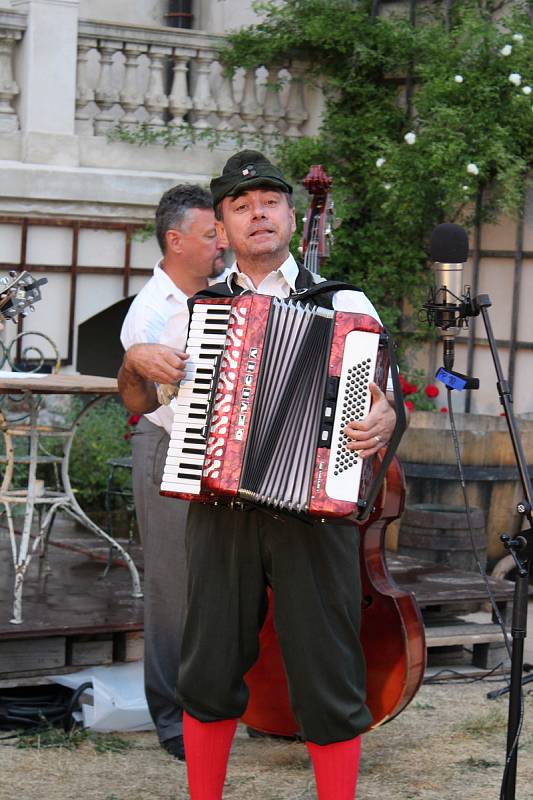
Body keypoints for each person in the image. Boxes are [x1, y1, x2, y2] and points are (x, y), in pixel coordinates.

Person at [118, 151, 397, 799]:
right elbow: (139, 402)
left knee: (327, 672)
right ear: (223, 227)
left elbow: (381, 395)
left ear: (290, 217)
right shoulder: (198, 311)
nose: (257, 214)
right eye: (240, 207)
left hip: (314, 512)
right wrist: (134, 360)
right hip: (221, 509)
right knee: (209, 667)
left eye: (268, 201)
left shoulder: (343, 301)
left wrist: (383, 416)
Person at [119, 184, 225, 761]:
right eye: (212, 235)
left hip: (216, 454)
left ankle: (218, 703)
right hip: (168, 448)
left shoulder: (221, 294)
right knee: (172, 586)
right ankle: (171, 719)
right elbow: (169, 404)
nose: (222, 243)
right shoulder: (151, 315)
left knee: (215, 583)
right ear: (176, 241)